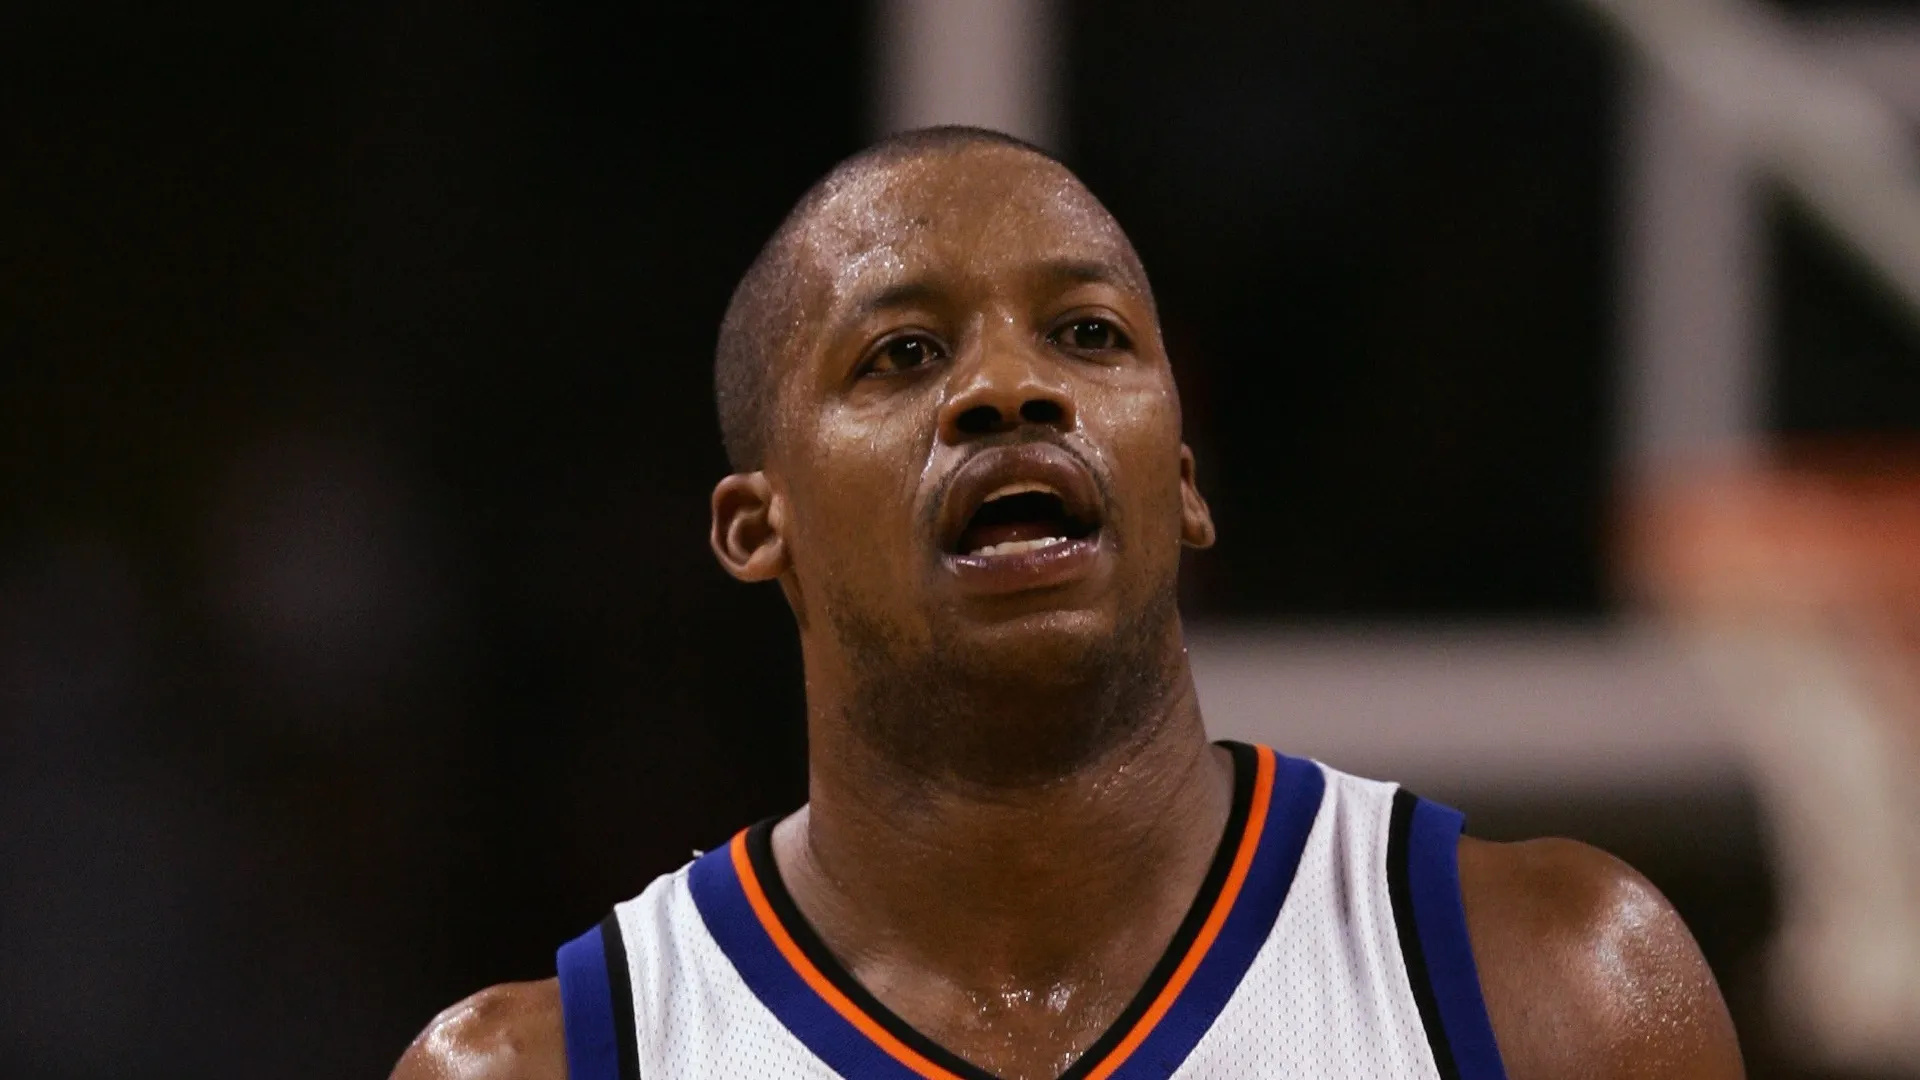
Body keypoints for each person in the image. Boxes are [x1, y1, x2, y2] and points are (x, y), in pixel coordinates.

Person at [389, 127, 1744, 1080]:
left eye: (1088, 334)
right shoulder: (549, 1062)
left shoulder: (1551, 987)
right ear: (758, 527)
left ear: (1186, 483)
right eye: (903, 353)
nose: (1009, 389)